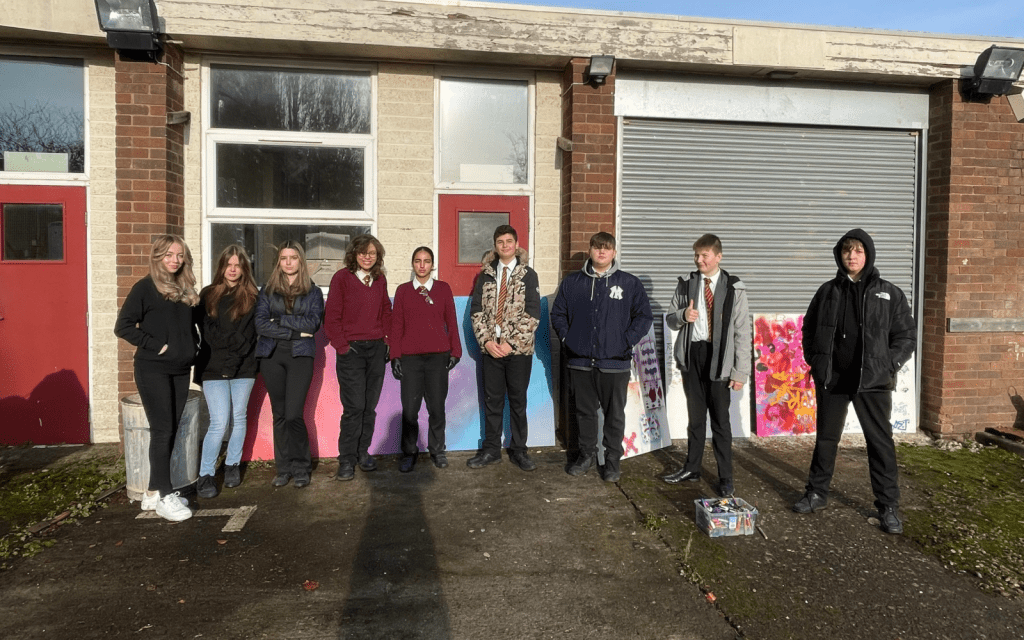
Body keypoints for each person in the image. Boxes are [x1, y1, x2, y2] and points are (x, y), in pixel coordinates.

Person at [792, 228, 916, 535]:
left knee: (880, 443)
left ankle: (888, 507)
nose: (852, 256)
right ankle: (817, 493)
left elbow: (905, 335)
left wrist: (889, 363)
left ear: (868, 255)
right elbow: (808, 329)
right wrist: (817, 360)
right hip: (834, 379)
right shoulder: (827, 292)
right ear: (840, 255)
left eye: (858, 251)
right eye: (847, 250)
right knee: (826, 440)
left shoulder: (889, 293)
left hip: (872, 382)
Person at [551, 232, 653, 483]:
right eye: (597, 248)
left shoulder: (629, 284)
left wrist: (625, 341)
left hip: (614, 363)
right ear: (590, 251)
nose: (601, 252)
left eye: (607, 248)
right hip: (580, 362)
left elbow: (643, 317)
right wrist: (567, 339)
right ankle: (586, 455)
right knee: (584, 412)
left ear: (614, 253)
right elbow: (558, 314)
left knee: (614, 414)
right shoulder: (572, 283)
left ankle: (612, 460)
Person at [114, 234, 200, 522]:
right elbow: (123, 326)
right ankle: (165, 495)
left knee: (171, 429)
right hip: (153, 368)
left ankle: (152, 492)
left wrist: (193, 348)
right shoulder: (145, 288)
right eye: (168, 255)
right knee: (162, 430)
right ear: (157, 257)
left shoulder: (185, 290)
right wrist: (158, 346)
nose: (175, 260)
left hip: (179, 370)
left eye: (179, 255)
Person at [661, 234, 751, 497]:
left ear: (718, 257)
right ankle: (692, 468)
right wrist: (683, 316)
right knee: (696, 417)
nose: (699, 260)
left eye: (704, 255)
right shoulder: (687, 284)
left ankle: (725, 477)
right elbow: (670, 319)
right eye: (696, 255)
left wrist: (740, 372)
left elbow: (742, 333)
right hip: (694, 356)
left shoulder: (734, 287)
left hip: (720, 358)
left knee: (721, 421)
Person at [468, 225, 541, 471]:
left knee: (518, 401)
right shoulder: (486, 275)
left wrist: (510, 344)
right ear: (495, 245)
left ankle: (519, 450)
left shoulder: (528, 275)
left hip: (518, 352)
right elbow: (476, 311)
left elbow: (533, 314)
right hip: (491, 351)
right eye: (500, 241)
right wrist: (487, 342)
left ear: (516, 244)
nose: (505, 245)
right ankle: (491, 450)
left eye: (509, 241)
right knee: (492, 401)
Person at [254, 241, 324, 489]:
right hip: (272, 356)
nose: (288, 262)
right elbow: (261, 324)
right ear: (279, 262)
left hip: (300, 357)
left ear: (300, 261)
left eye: (293, 257)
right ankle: (283, 469)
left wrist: (280, 321)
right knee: (280, 414)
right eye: (283, 258)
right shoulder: (267, 290)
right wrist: (295, 330)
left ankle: (301, 467)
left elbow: (313, 324)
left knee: (294, 414)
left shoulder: (313, 292)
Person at [324, 234, 392, 481]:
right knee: (354, 408)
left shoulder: (380, 279)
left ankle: (363, 453)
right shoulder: (341, 278)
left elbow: (386, 310)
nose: (367, 257)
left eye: (372, 253)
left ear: (378, 257)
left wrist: (386, 341)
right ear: (353, 254)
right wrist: (342, 346)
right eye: (362, 253)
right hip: (351, 351)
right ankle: (346, 460)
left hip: (375, 350)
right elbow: (331, 317)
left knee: (369, 407)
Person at [389, 247, 463, 472]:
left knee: (437, 407)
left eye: (427, 261)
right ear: (412, 264)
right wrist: (395, 355)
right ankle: (409, 452)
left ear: (433, 265)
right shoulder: (403, 291)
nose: (422, 265)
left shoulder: (442, 289)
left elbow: (451, 320)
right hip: (411, 359)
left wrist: (455, 351)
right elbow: (397, 325)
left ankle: (437, 450)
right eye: (418, 261)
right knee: (410, 409)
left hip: (437, 357)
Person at [194, 245, 259, 499]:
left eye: (238, 265)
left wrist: (233, 352)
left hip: (244, 366)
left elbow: (249, 336)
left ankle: (232, 465)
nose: (233, 269)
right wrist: (230, 350)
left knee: (239, 417)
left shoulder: (253, 297)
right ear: (221, 267)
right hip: (213, 365)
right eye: (228, 264)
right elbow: (208, 333)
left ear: (244, 269)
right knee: (219, 422)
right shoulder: (207, 295)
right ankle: (206, 474)